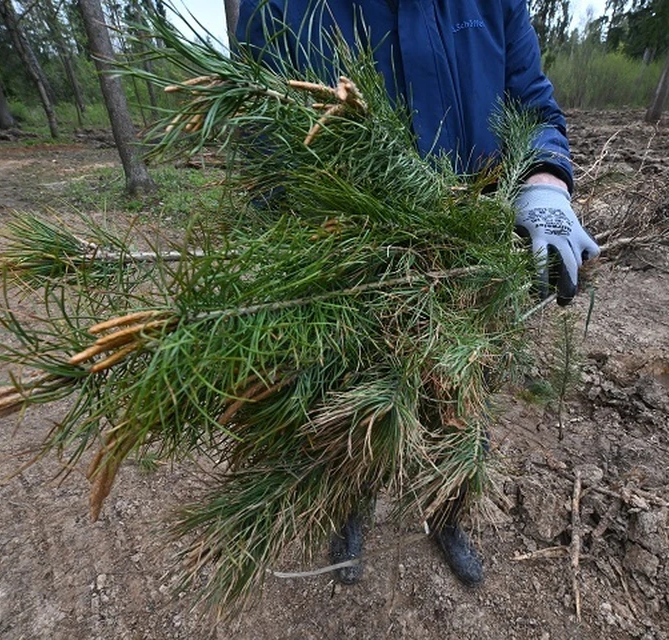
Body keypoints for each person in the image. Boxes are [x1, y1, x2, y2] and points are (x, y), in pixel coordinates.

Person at [236, 0, 599, 587]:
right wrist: (295, 254)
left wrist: (545, 184)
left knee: (461, 396)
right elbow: (261, 130)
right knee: (353, 395)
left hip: (467, 258)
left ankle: (449, 510)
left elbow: (531, 102)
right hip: (347, 264)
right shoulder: (278, 6)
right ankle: (348, 506)